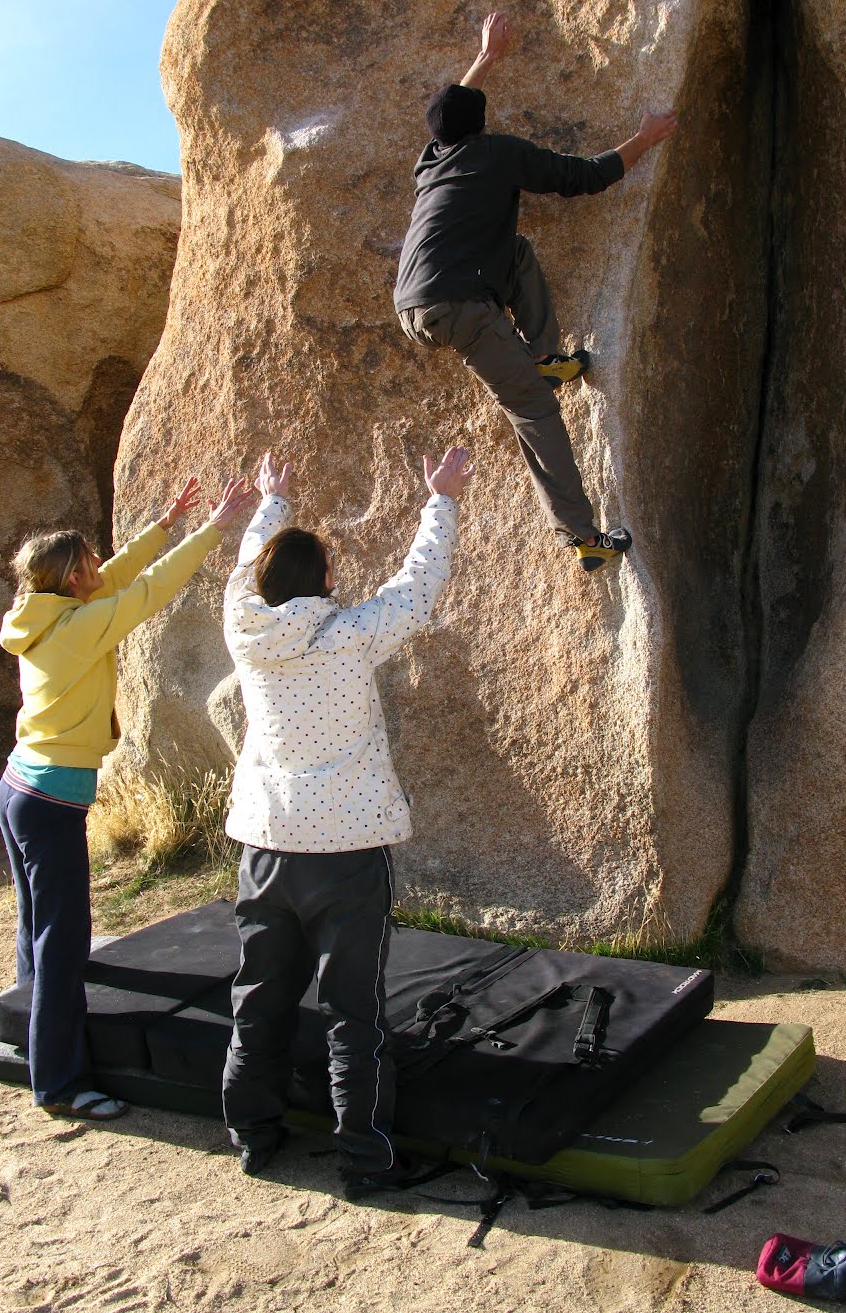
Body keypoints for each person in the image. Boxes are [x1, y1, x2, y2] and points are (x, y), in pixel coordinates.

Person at [220, 444, 473, 1198]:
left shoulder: (242, 630)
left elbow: (242, 571)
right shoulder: (349, 636)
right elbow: (416, 587)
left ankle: (252, 1136)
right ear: (328, 583)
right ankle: (363, 1159)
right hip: (347, 853)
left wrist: (271, 504)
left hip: (266, 846)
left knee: (258, 1001)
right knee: (351, 1016)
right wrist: (441, 501)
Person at [0, 471, 254, 1121]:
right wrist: (214, 530)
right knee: (63, 941)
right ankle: (59, 1082)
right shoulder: (77, 629)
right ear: (70, 578)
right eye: (87, 564)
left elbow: (114, 578)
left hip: (19, 787)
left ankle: (33, 1036)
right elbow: (145, 592)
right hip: (51, 800)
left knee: (37, 927)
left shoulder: (43, 612)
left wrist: (165, 524)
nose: (96, 569)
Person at [393, 9, 678, 571]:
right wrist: (644, 138)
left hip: (414, 301)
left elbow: (448, 114)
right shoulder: (497, 153)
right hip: (459, 305)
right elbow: (584, 178)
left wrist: (487, 57)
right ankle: (583, 537)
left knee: (517, 251)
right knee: (535, 412)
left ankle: (546, 355)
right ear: (481, 123)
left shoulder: (432, 161)